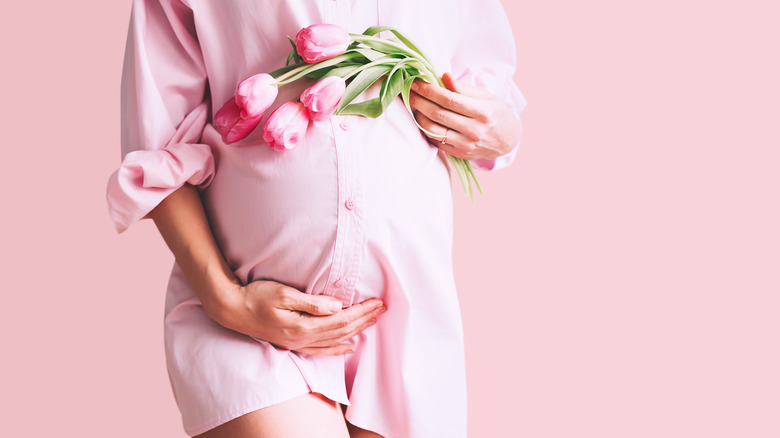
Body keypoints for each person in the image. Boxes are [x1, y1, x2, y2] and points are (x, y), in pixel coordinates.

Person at [106, 1, 525, 437]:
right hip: (247, 316)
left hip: (407, 316)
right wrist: (226, 300)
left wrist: (502, 129)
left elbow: (488, 89)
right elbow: (158, 138)